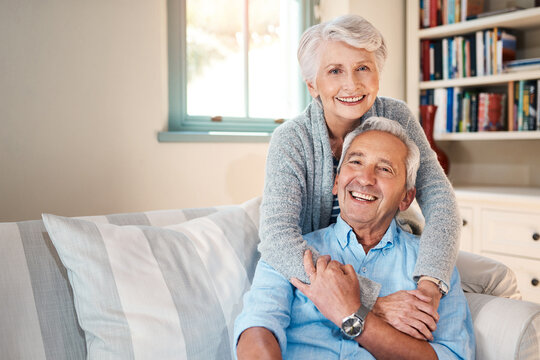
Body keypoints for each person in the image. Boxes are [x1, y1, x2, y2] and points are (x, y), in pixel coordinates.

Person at [258, 14, 461, 334]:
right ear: (313, 85)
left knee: (486, 277)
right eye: (335, 71)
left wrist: (429, 287)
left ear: (378, 73)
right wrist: (369, 301)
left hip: (390, 252)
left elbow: (439, 198)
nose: (351, 84)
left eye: (362, 68)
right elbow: (277, 239)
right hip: (321, 263)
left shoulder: (397, 116)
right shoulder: (291, 139)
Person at [235, 117, 475, 359]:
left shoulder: (431, 270)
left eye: (384, 169)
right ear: (336, 182)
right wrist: (371, 309)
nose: (365, 178)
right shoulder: (290, 252)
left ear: (406, 198)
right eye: (356, 161)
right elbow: (257, 329)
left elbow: (450, 355)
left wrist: (352, 314)